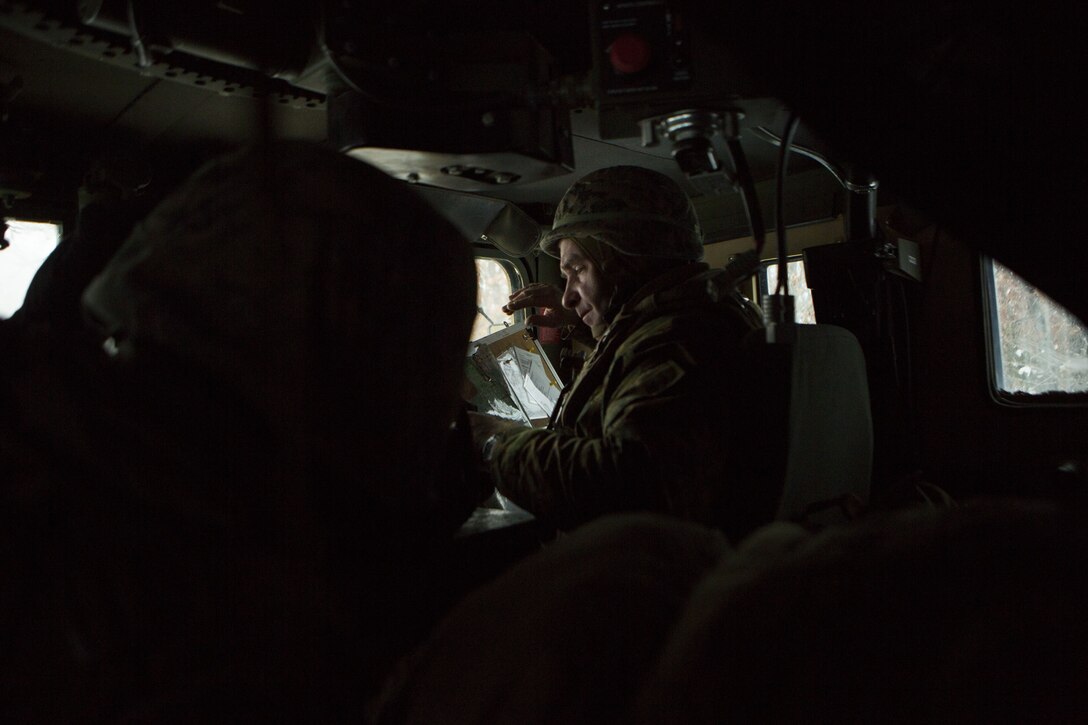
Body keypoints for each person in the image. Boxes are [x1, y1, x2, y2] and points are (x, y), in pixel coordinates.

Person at [468, 165, 773, 541]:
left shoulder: (682, 341)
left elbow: (625, 485)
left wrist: (497, 441)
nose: (567, 295)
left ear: (628, 257)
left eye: (577, 269)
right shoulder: (691, 322)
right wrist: (589, 324)